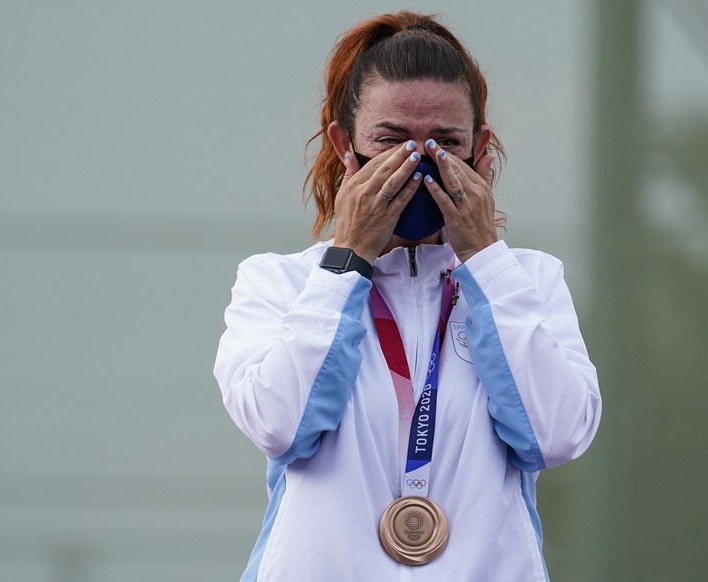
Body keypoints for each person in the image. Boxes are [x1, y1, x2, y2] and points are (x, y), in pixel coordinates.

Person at [214, 10, 601, 582]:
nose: (418, 165)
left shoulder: (528, 281)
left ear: (481, 153)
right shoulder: (281, 283)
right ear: (344, 145)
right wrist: (347, 261)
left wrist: (485, 261)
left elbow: (558, 434)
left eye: (445, 143)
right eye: (391, 141)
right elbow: (280, 423)